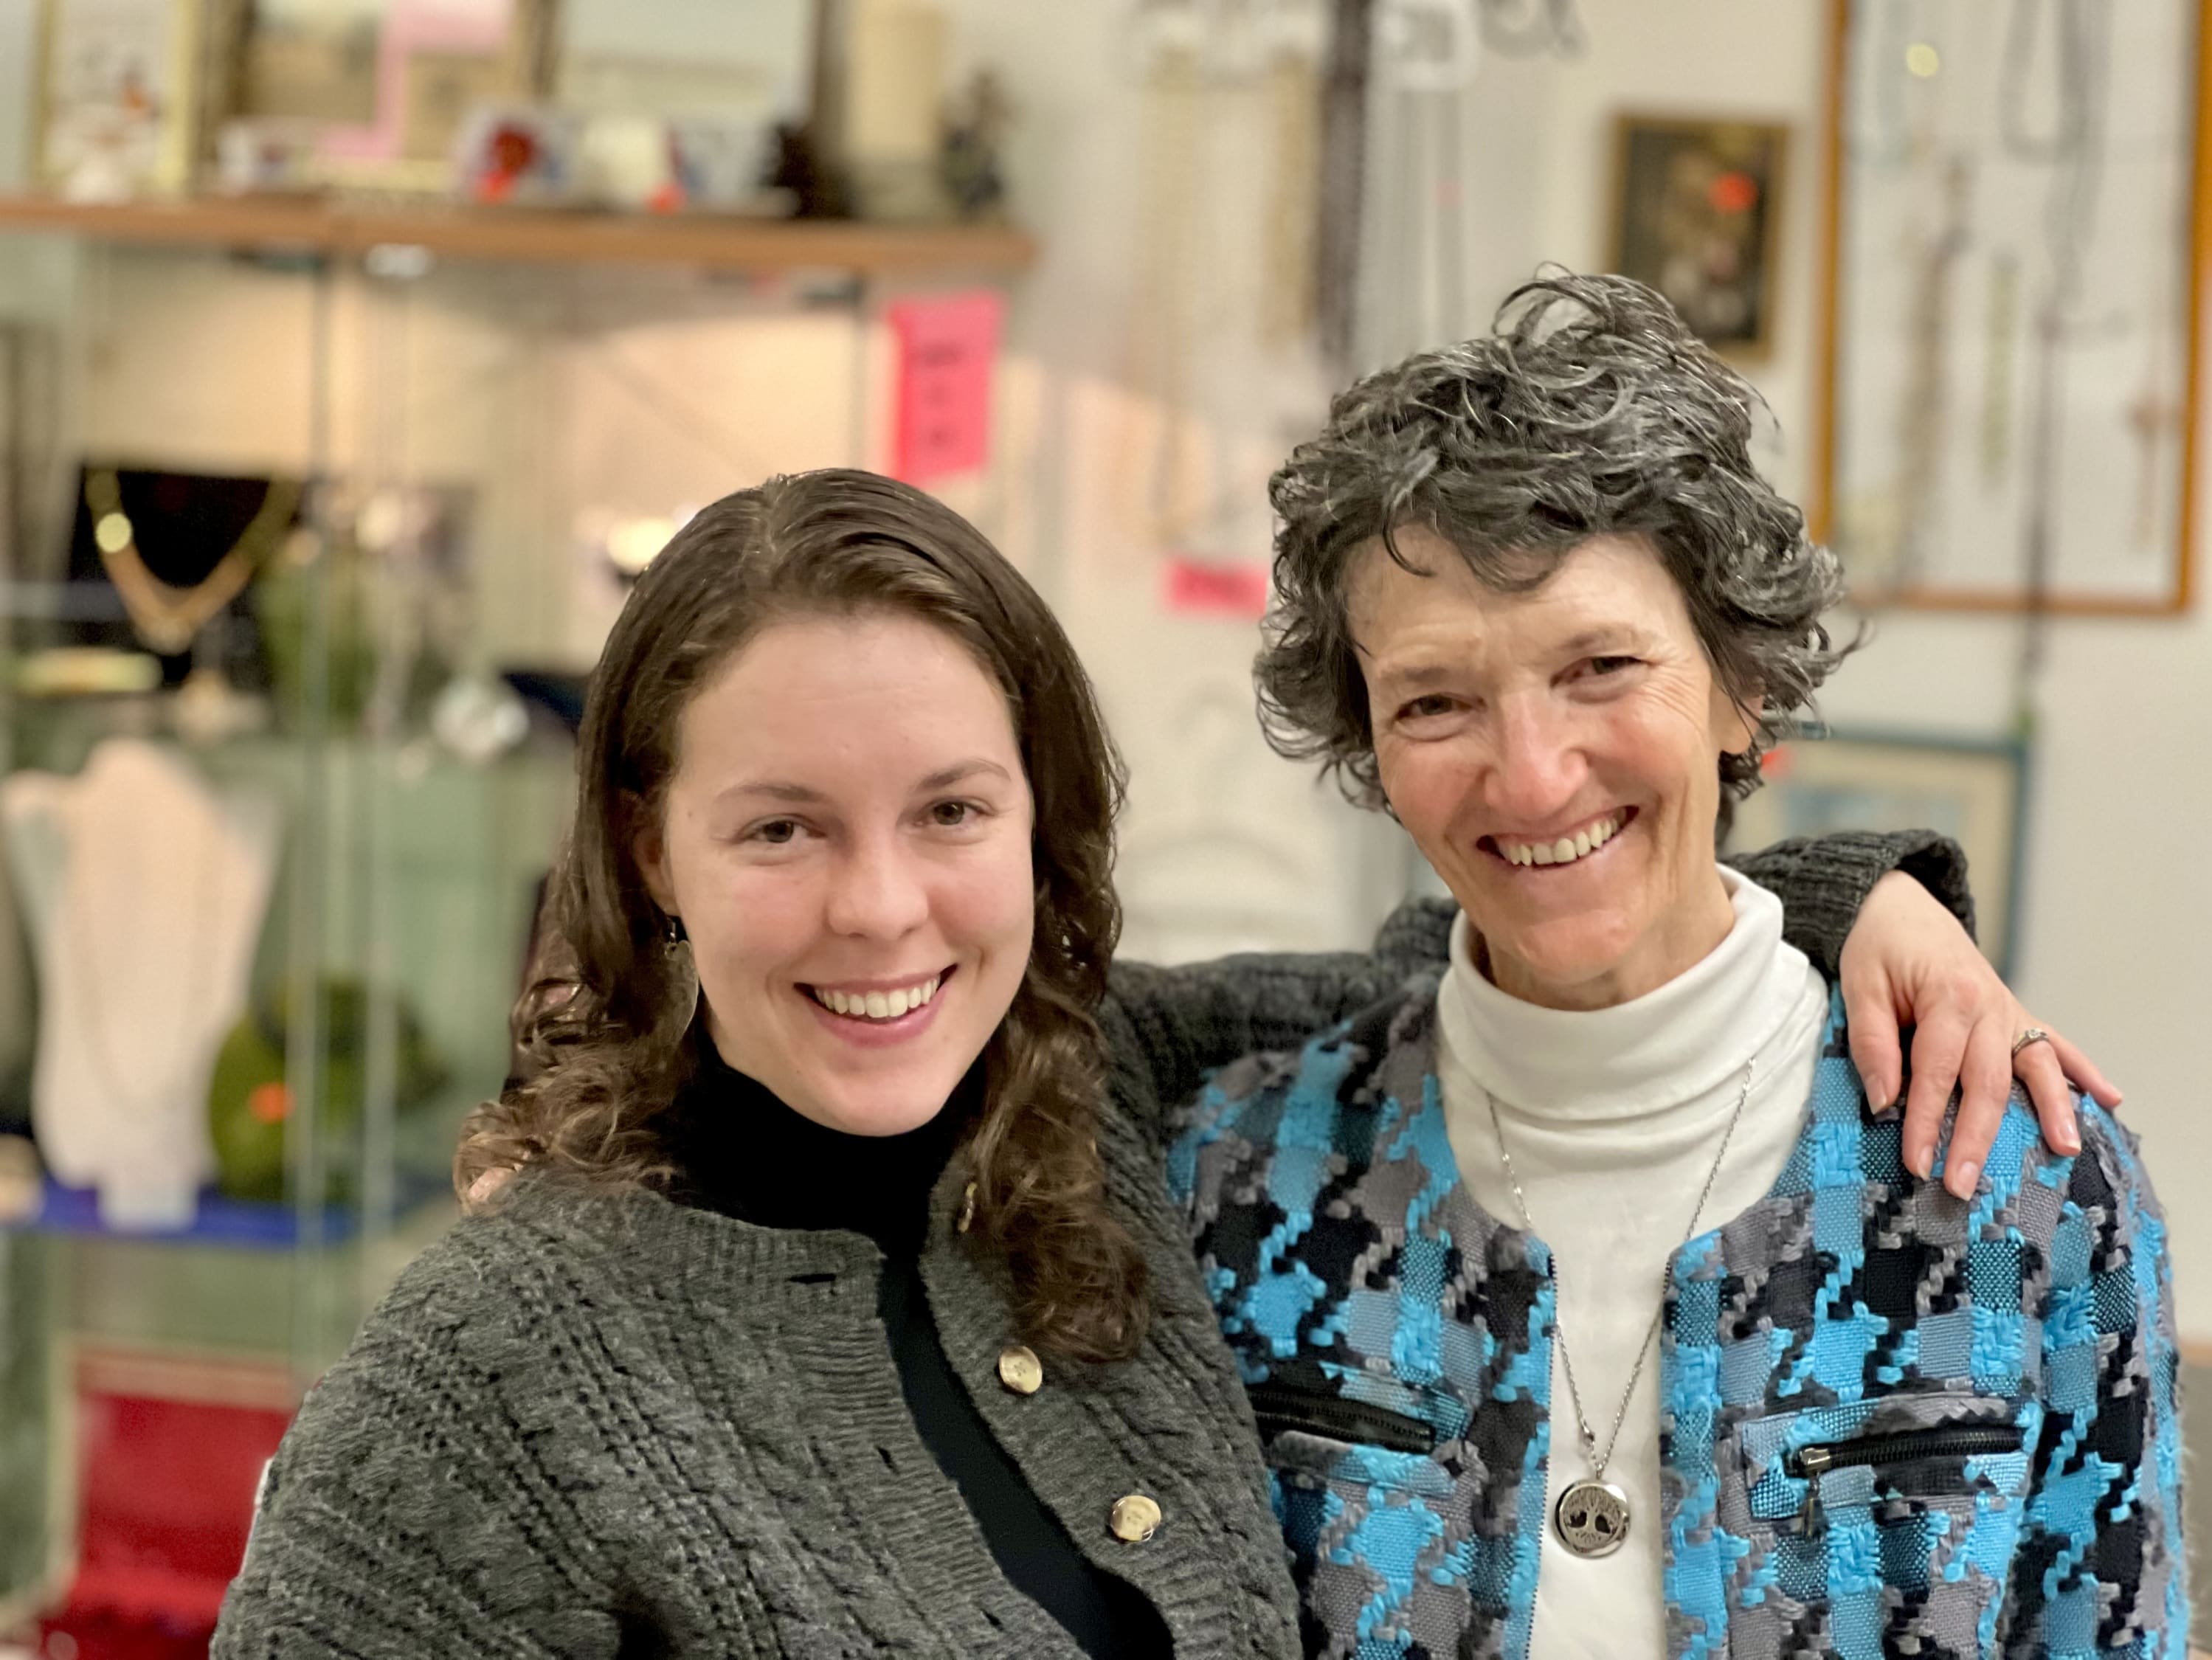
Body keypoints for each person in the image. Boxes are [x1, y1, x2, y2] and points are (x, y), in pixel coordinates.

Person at [215, 468, 2100, 1659]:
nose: (882, 914)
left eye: (949, 810)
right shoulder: (497, 1366)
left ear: (1042, 823)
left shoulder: (1106, 1089)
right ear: (647, 851)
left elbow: (1534, 924)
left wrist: (1854, 897)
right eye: (781, 830)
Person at [1170, 274, 2182, 1659]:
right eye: (1435, 699)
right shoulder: (1237, 1180)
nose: (1530, 776)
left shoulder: (2015, 1181)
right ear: (1370, 748)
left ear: (1739, 680)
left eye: (1598, 665)